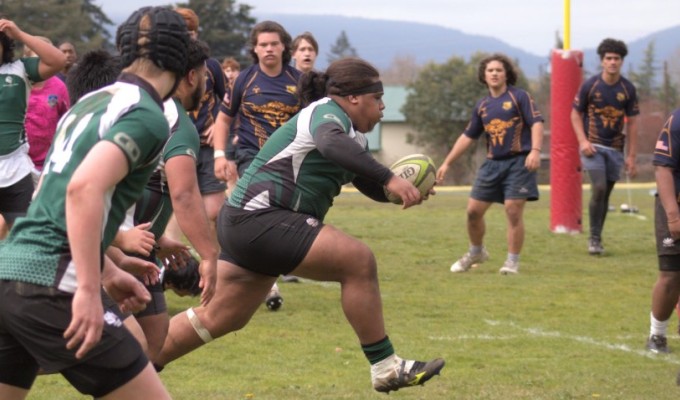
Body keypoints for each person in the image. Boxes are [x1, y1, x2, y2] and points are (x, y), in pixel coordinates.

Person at [155, 56, 445, 393]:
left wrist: (404, 190)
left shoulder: (353, 137)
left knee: (220, 317)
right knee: (357, 260)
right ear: (353, 98)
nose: (382, 108)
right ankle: (385, 366)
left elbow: (372, 183)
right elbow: (330, 143)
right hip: (261, 217)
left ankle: (131, 368)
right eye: (377, 99)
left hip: (247, 222)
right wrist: (389, 177)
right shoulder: (326, 113)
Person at [0, 7, 190, 399]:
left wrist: (108, 271)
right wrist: (88, 288)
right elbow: (83, 190)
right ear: (182, 61)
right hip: (53, 286)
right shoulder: (148, 114)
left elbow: (51, 204)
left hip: (9, 273)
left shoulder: (90, 103)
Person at [213, 20, 303, 310]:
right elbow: (224, 118)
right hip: (252, 157)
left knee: (279, 219)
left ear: (284, 47)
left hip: (290, 161)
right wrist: (219, 155)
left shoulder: (299, 80)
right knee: (257, 215)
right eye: (263, 44)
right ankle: (268, 285)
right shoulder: (244, 80)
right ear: (255, 48)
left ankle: (265, 275)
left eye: (274, 44)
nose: (268, 49)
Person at [436, 53, 543, 275]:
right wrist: (447, 163)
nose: (494, 73)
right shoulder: (482, 105)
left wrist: (535, 150)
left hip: (519, 163)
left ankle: (512, 262)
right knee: (473, 212)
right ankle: (476, 252)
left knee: (513, 210)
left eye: (499, 70)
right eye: (490, 70)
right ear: (484, 76)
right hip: (492, 164)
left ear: (507, 75)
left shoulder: (519, 97)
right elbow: (468, 136)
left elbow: (536, 123)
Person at [164, 7, 229, 258]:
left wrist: (218, 124)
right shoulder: (166, 68)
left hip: (206, 146)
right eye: (181, 32)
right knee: (175, 206)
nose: (187, 36)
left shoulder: (210, 66)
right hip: (175, 146)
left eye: (190, 32)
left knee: (214, 211)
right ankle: (172, 267)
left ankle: (215, 257)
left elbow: (229, 101)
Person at [570, 38, 639, 256]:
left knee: (605, 195)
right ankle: (593, 239)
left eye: (616, 59)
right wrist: (582, 141)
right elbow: (574, 114)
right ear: (602, 61)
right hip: (593, 147)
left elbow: (634, 123)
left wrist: (632, 156)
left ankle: (597, 238)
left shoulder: (627, 89)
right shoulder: (590, 85)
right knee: (598, 188)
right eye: (608, 58)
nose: (612, 62)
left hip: (616, 150)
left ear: (621, 61)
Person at [0, 17, 65, 240]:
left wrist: (18, 33)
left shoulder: (20, 70)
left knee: (28, 238)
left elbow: (58, 60)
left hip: (15, 170)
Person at [645, 109, 680, 354]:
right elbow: (662, 168)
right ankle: (657, 335)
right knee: (671, 275)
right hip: (674, 204)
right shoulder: (677, 122)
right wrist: (673, 216)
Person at [22, 36, 70, 187]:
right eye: (39, 59)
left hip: (48, 163)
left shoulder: (59, 87)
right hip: (17, 163)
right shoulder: (16, 83)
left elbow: (67, 121)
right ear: (26, 60)